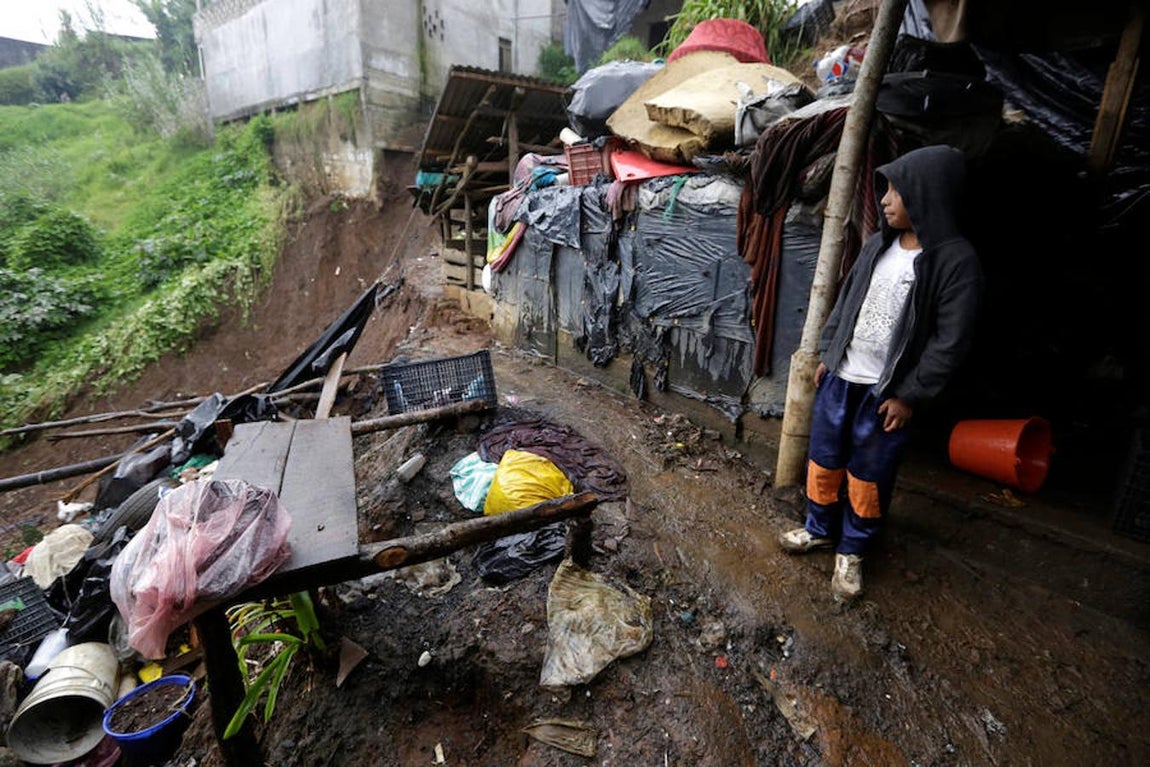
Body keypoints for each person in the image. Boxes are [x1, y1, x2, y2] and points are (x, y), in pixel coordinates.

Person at [778, 144, 983, 600]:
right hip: (842, 378)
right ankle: (819, 528)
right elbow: (847, 298)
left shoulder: (954, 263)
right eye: (886, 189)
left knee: (869, 473)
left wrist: (910, 394)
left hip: (884, 392)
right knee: (824, 459)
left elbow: (949, 342)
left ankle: (853, 549)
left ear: (928, 195)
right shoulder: (879, 245)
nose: (886, 200)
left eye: (897, 191)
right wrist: (829, 354)